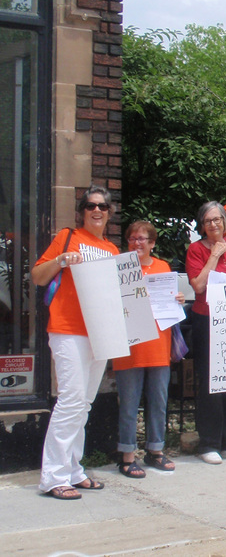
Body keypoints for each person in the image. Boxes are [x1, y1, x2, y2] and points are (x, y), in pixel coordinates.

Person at [32, 186, 120, 499]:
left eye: (103, 207)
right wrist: (60, 260)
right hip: (68, 329)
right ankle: (53, 477)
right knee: (71, 400)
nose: (97, 211)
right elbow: (38, 276)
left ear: (109, 214)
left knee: (83, 404)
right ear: (82, 211)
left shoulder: (111, 250)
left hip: (100, 332)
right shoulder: (67, 237)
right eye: (91, 206)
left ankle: (73, 470)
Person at [113, 221, 185, 478]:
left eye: (142, 238)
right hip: (129, 348)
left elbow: (171, 303)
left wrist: (178, 299)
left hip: (158, 346)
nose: (137, 243)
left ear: (152, 243)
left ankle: (156, 450)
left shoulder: (163, 267)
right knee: (129, 404)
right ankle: (127, 456)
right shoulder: (119, 267)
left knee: (158, 401)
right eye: (132, 238)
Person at [185, 202, 226, 464]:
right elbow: (198, 285)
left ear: (225, 222)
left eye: (218, 220)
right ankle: (208, 443)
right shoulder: (196, 249)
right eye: (208, 221)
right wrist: (214, 255)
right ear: (202, 225)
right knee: (210, 382)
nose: (214, 225)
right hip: (207, 320)